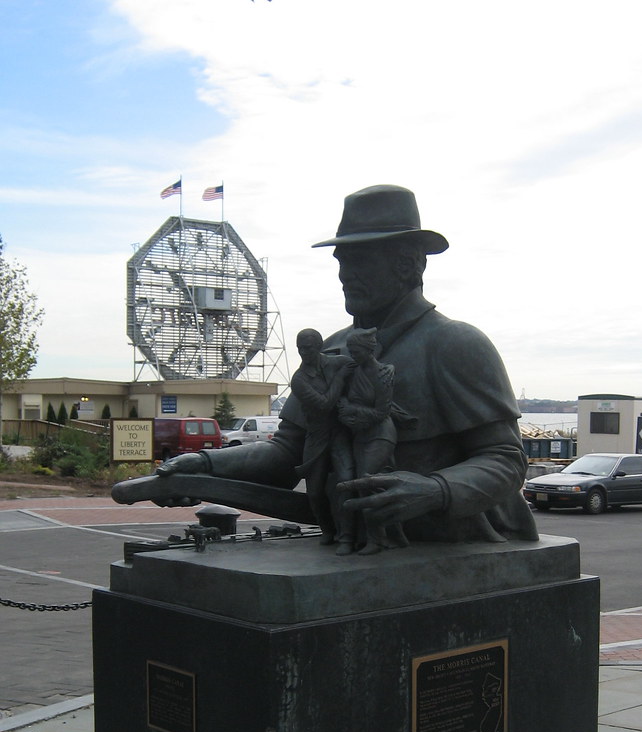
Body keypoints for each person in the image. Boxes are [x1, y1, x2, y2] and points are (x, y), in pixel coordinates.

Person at [155, 184, 538, 545]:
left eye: (361, 263)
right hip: (354, 542)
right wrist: (205, 466)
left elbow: (505, 460)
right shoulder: (329, 351)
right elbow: (288, 454)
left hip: (454, 546)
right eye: (342, 262)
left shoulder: (455, 344)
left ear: (408, 264)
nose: (345, 276)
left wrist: (436, 490)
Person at [333, 327, 409, 555]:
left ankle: (377, 540)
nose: (353, 355)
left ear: (370, 349)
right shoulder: (352, 371)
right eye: (351, 350)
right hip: (360, 436)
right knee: (374, 486)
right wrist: (344, 408)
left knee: (365, 484)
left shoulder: (384, 373)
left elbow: (381, 412)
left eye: (356, 351)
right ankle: (396, 536)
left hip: (381, 435)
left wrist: (350, 409)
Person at [289, 327, 352, 544]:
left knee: (346, 482)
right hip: (316, 436)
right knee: (314, 492)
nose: (304, 352)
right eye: (300, 348)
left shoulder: (336, 363)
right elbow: (324, 405)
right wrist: (340, 381)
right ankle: (327, 530)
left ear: (319, 346)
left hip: (339, 433)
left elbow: (362, 366)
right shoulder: (298, 380)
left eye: (308, 347)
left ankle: (347, 535)